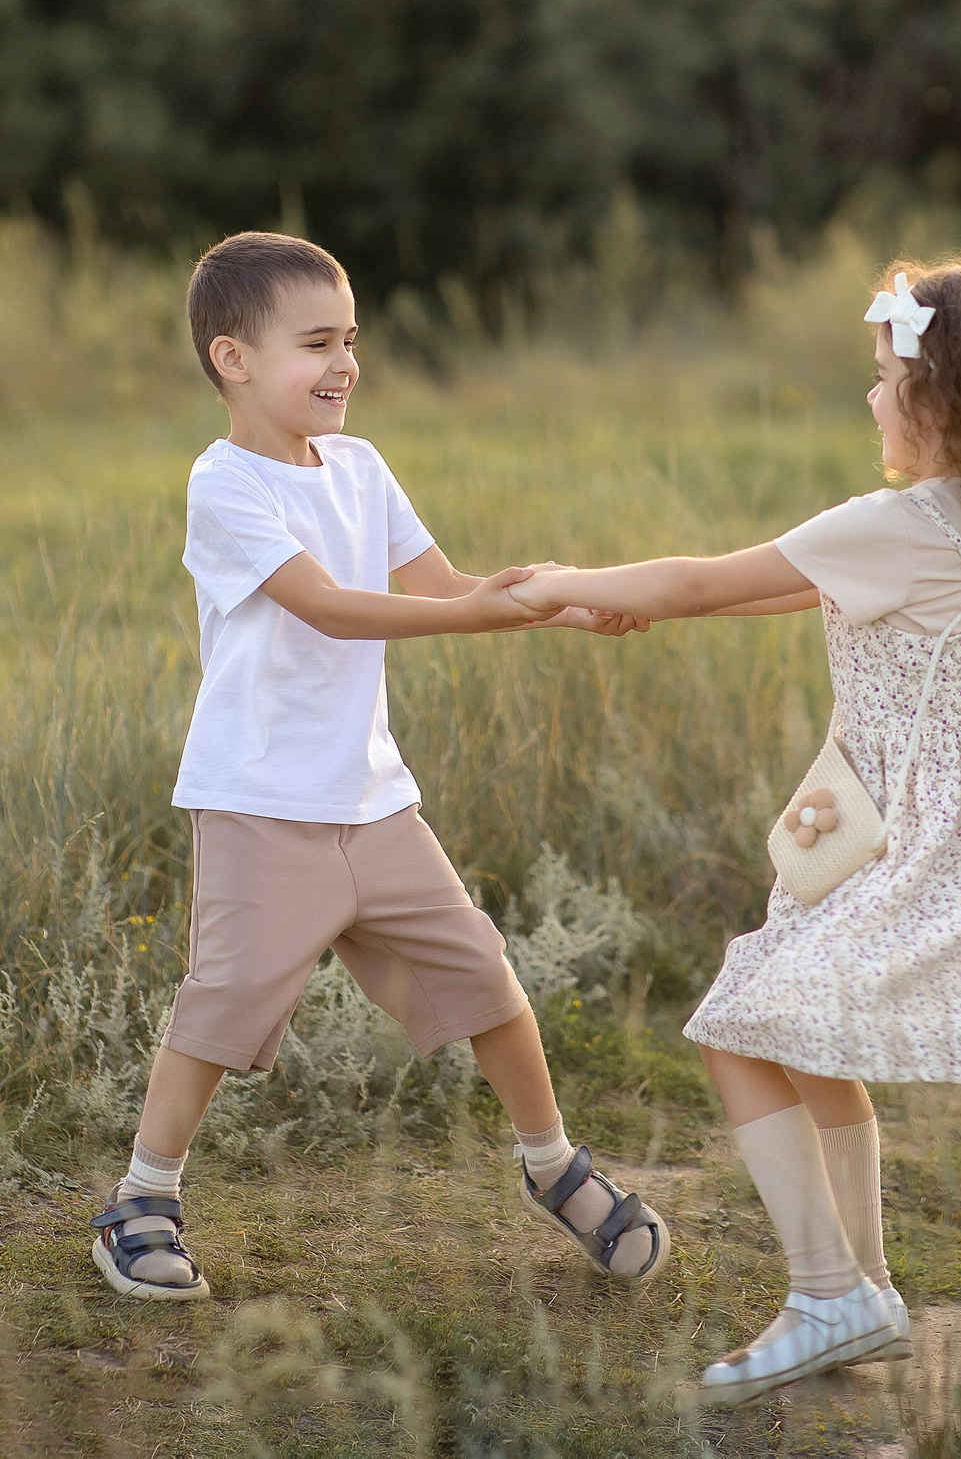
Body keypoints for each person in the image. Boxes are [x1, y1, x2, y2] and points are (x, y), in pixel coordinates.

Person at [505, 247, 961, 1402]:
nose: (869, 396)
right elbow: (785, 588)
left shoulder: (898, 521)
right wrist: (617, 606)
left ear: (942, 397)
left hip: (910, 829)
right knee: (806, 1036)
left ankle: (825, 1290)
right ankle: (866, 1291)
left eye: (885, 375)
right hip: (906, 816)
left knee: (741, 1023)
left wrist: (562, 580)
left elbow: (706, 577)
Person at [88, 231, 672, 1301]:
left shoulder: (360, 467)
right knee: (222, 1004)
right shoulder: (224, 484)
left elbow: (444, 580)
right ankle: (141, 1199)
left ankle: (554, 1166)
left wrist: (561, 603)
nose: (345, 363)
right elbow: (328, 604)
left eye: (350, 339)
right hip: (263, 801)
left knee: (487, 981)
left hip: (374, 801)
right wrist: (483, 617)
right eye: (316, 343)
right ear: (234, 359)